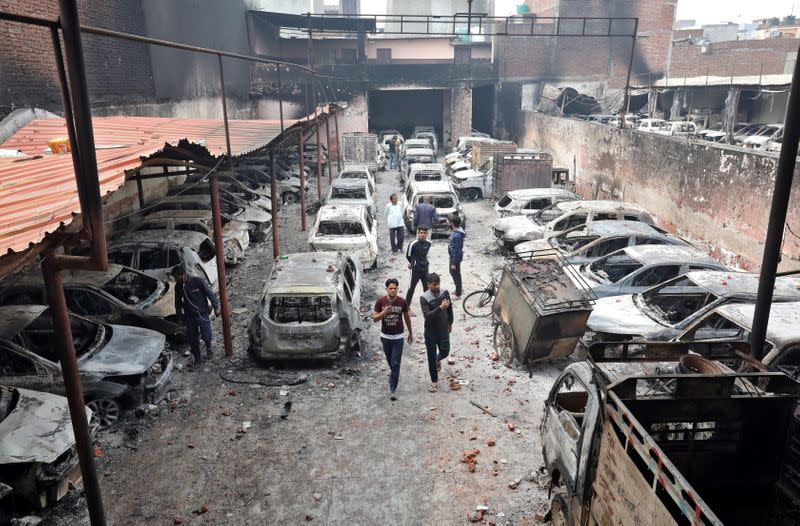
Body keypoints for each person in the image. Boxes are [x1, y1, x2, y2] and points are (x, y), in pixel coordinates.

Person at [372, 278, 413, 401]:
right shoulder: (380, 301)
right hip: (385, 337)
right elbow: (374, 319)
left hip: (398, 337)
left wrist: (410, 333)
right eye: (390, 288)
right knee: (391, 362)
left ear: (398, 289)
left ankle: (393, 390)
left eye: (395, 288)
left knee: (395, 363)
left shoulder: (402, 302)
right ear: (386, 289)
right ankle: (393, 375)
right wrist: (384, 312)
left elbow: (406, 318)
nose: (393, 290)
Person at [172, 265, 219, 364]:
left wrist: (216, 307)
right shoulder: (178, 286)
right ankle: (197, 358)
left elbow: (209, 293)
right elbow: (178, 303)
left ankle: (209, 348)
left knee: (206, 335)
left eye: (176, 277)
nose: (175, 279)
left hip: (202, 313)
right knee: (193, 339)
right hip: (190, 316)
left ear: (183, 275)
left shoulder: (197, 281)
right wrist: (179, 319)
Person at [419, 273, 453, 392]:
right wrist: (439, 308)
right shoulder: (424, 298)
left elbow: (450, 309)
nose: (437, 286)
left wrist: (450, 323)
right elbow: (427, 316)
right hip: (430, 332)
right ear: (428, 285)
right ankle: (434, 381)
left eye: (438, 284)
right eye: (434, 285)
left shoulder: (445, 293)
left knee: (445, 351)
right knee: (430, 356)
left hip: (443, 329)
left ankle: (438, 359)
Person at [405, 225, 431, 310]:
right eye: (421, 233)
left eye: (424, 233)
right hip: (415, 270)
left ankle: (426, 306)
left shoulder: (428, 243)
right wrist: (413, 264)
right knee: (411, 288)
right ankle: (407, 307)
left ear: (427, 234)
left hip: (425, 269)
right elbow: (408, 256)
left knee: (426, 288)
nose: (422, 234)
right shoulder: (413, 244)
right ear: (418, 233)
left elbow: (424, 255)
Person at [448, 215, 465, 298]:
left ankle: (458, 294)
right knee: (456, 273)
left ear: (452, 223)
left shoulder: (457, 235)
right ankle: (459, 288)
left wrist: (454, 263)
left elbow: (457, 250)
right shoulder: (457, 231)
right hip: (455, 256)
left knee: (454, 273)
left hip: (455, 257)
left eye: (449, 222)